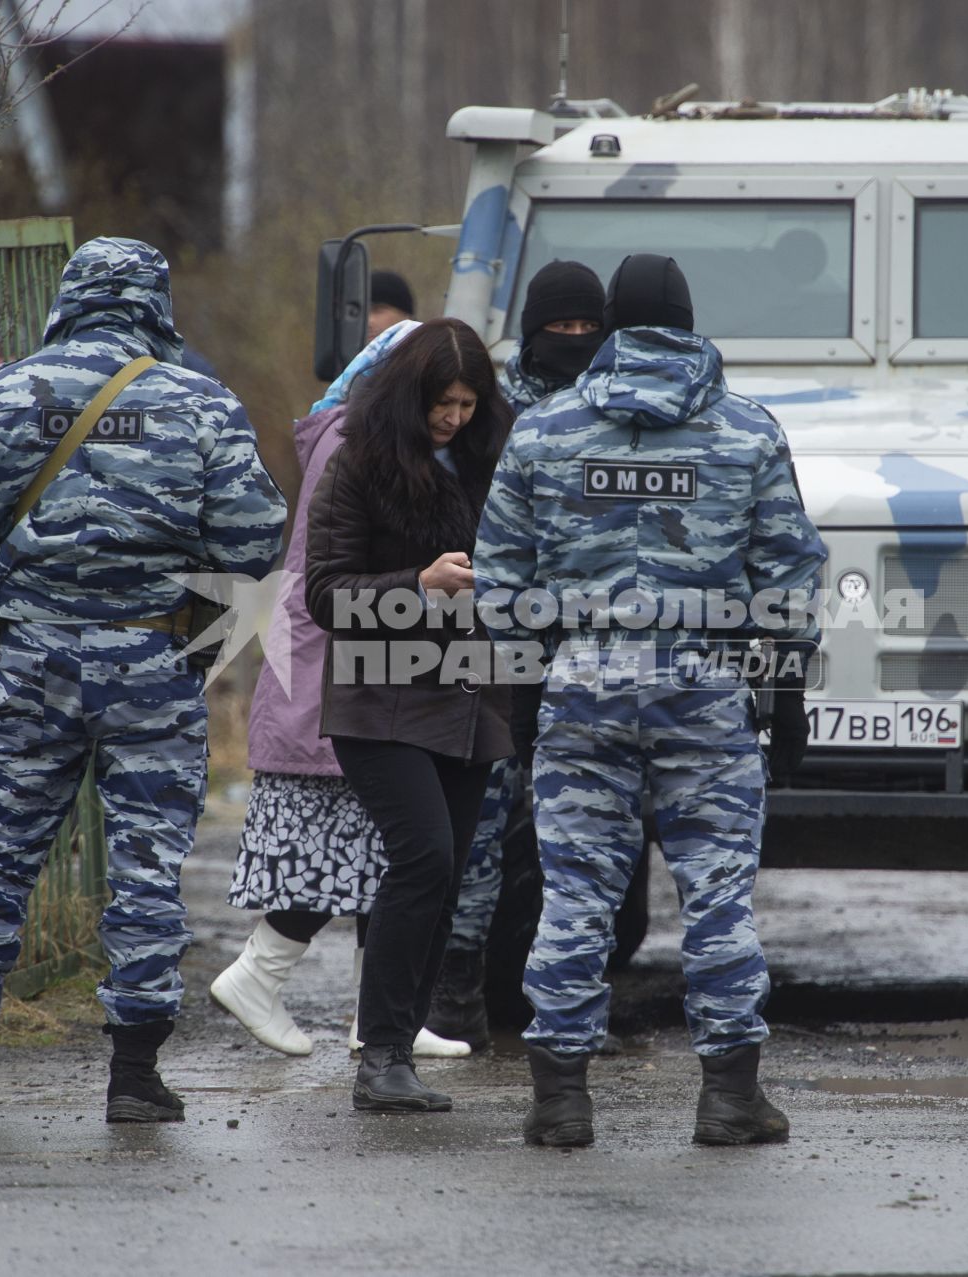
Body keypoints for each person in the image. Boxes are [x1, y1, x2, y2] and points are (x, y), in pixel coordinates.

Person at [0, 237, 287, 1124]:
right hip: (153, 665)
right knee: (148, 870)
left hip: (34, 662)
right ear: (156, 303)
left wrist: (35, 593)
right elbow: (254, 545)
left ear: (68, 300)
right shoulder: (200, 402)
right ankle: (135, 1077)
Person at [473, 254, 827, 1147]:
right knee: (717, 896)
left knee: (575, 896)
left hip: (581, 692)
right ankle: (730, 1097)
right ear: (687, 319)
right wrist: (784, 690)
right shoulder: (748, 432)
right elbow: (789, 572)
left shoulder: (544, 429)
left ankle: (559, 1099)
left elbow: (501, 580)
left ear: (611, 325)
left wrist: (528, 687)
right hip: (705, 692)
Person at [208, 319, 468, 1060]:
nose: (449, 417)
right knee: (348, 848)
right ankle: (258, 975)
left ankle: (376, 1015)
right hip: (335, 671)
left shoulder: (356, 435)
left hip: (347, 665)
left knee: (379, 852)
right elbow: (341, 574)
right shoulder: (355, 446)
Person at [305, 318, 514, 1111]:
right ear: (411, 394)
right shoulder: (359, 463)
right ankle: (381, 1054)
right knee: (422, 856)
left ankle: (399, 1048)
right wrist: (420, 586)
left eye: (467, 402)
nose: (453, 417)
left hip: (472, 697)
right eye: (441, 402)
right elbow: (324, 591)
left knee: (447, 874)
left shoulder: (494, 462)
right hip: (380, 698)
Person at [426, 259, 608, 1048]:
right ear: (532, 332)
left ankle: (563, 996)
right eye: (557, 329)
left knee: (579, 836)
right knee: (480, 830)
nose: (571, 341)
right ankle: (459, 989)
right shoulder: (491, 411)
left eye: (585, 329)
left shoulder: (617, 412)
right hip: (497, 654)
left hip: (589, 655)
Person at [366, 269, 416, 343]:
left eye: (377, 310)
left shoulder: (429, 353)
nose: (368, 321)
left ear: (406, 316)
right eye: (362, 313)